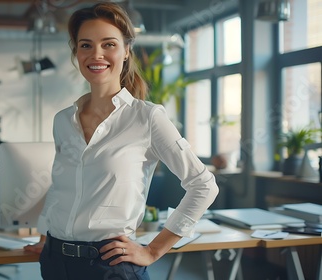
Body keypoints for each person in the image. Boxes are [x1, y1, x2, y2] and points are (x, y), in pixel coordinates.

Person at [24, 2, 219, 279]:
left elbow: (203, 185)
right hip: (56, 262)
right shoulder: (63, 120)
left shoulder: (148, 118)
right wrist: (45, 237)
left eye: (109, 44)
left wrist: (153, 250)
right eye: (86, 45)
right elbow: (60, 185)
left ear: (127, 50)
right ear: (76, 52)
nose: (97, 54)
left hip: (110, 267)